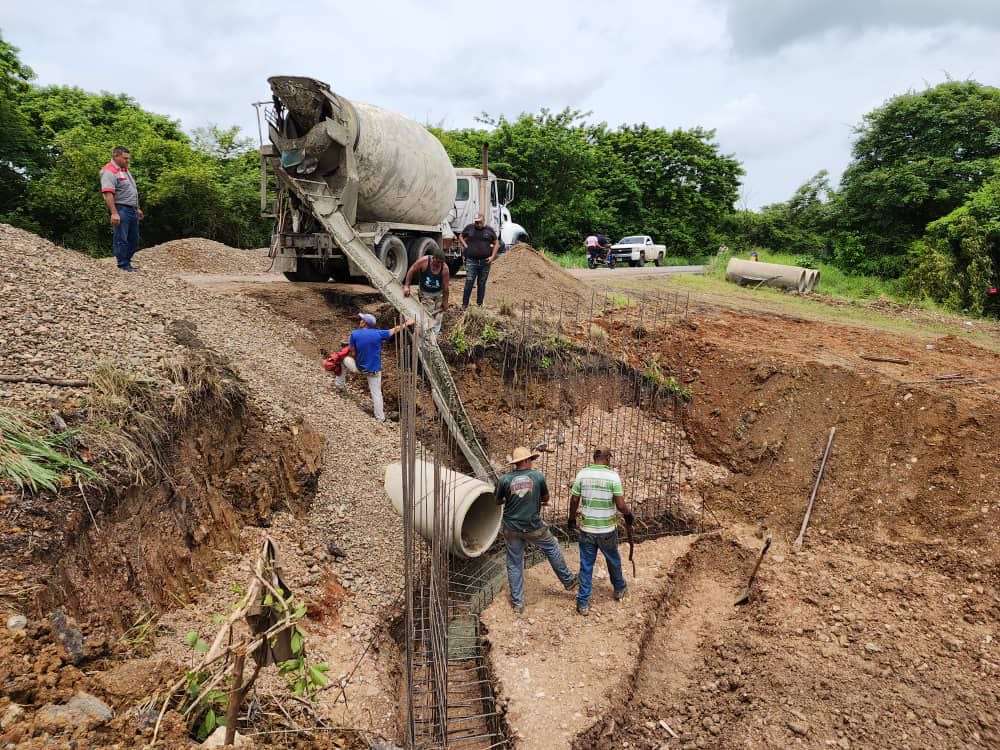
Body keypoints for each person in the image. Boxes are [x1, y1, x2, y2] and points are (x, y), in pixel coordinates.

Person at [496, 446, 577, 615]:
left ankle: (518, 604)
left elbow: (498, 501)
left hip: (511, 527)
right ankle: (568, 581)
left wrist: (513, 499)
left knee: (514, 562)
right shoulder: (537, 477)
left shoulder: (504, 480)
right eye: (530, 460)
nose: (532, 463)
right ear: (525, 461)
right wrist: (535, 500)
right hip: (533, 526)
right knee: (552, 547)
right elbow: (545, 498)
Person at [568, 448, 634, 616]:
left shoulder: (582, 474)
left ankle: (583, 603)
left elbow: (574, 499)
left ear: (594, 458)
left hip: (587, 529)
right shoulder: (613, 476)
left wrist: (571, 519)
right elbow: (620, 505)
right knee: (613, 560)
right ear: (607, 458)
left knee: (586, 565)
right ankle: (619, 588)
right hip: (607, 530)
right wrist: (628, 513)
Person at [335, 313, 413, 422]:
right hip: (374, 371)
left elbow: (352, 352)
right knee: (376, 393)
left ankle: (339, 386)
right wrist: (407, 323)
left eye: (361, 320)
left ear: (364, 323)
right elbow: (394, 330)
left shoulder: (354, 334)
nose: (360, 321)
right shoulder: (378, 334)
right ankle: (380, 418)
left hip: (359, 368)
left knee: (342, 359)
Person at [100, 146, 143, 272]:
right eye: (125, 158)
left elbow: (130, 191)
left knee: (134, 240)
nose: (127, 160)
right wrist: (114, 213)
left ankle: (126, 262)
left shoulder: (124, 170)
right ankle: (123, 265)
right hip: (121, 209)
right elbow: (108, 193)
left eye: (128, 158)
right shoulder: (109, 171)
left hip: (132, 209)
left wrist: (137, 208)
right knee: (121, 238)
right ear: (116, 156)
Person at [402, 247, 450, 334]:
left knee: (438, 314)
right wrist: (406, 286)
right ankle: (425, 332)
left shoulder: (444, 269)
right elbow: (411, 270)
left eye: (441, 262)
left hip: (438, 294)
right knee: (428, 312)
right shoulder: (424, 261)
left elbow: (446, 288)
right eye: (437, 262)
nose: (438, 264)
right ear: (433, 258)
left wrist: (445, 302)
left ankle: (434, 334)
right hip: (425, 294)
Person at [459, 213, 498, 308]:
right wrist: (465, 245)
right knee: (469, 281)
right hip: (472, 260)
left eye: (479, 222)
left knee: (481, 283)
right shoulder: (470, 228)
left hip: (485, 261)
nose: (477, 224)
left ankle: (479, 305)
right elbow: (460, 236)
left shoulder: (489, 230)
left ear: (483, 221)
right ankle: (464, 305)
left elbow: (496, 243)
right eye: (476, 222)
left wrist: (492, 256)